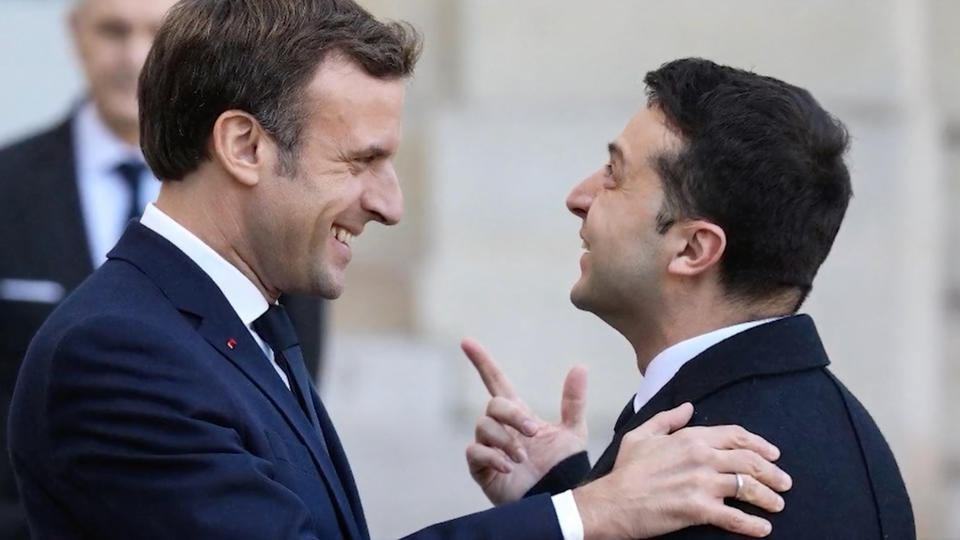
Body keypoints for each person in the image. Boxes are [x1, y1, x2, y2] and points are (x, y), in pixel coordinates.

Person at [9, 3, 793, 539]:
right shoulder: (117, 352)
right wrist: (589, 513)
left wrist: (558, 492)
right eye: (362, 160)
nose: (389, 203)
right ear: (244, 146)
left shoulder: (246, 315)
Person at [463, 58, 916, 539]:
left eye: (614, 174)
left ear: (692, 248)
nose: (578, 196)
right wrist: (567, 492)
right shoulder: (811, 425)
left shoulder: (724, 471)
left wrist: (581, 512)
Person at [0, 1, 324, 534]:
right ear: (76, 33)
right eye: (112, 31)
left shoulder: (267, 208)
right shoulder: (7, 188)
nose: (133, 56)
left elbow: (295, 390)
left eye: (156, 32)